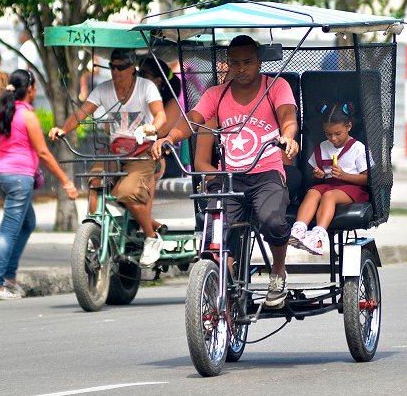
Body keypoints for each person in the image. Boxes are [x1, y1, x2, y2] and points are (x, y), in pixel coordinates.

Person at [152, 35, 299, 307]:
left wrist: (288, 137)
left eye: (248, 62)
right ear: (227, 64)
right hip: (229, 177)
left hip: (266, 172)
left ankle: (278, 271)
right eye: (235, 63)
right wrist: (170, 138)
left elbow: (288, 117)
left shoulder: (276, 86)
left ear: (259, 62)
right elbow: (192, 121)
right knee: (216, 230)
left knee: (272, 221)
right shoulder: (214, 95)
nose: (241, 68)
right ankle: (224, 278)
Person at [48, 48, 166, 268]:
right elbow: (81, 113)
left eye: (121, 67)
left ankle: (151, 237)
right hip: (115, 151)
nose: (116, 71)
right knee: (96, 180)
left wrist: (153, 127)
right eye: (112, 67)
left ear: (132, 69)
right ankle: (95, 229)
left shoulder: (146, 87)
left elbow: (160, 114)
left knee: (128, 194)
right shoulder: (103, 90)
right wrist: (63, 129)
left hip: (142, 152)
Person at [0, 69, 79, 300]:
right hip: (19, 178)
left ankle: (8, 278)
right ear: (31, 89)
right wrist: (66, 182)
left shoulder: (2, 113)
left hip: (3, 175)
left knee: (27, 223)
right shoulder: (27, 116)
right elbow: (43, 152)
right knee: (9, 231)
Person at [288, 101, 371, 256]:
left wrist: (344, 175)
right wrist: (318, 175)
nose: (333, 138)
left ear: (349, 127)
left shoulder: (358, 148)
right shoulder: (321, 147)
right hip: (329, 185)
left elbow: (367, 179)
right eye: (328, 134)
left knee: (328, 196)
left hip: (353, 188)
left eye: (337, 133)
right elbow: (318, 178)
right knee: (313, 191)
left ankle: (318, 237)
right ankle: (299, 229)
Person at [138, 57, 182, 234]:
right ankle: (148, 222)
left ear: (158, 80)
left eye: (144, 75)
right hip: (136, 151)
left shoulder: (171, 103)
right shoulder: (137, 98)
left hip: (164, 154)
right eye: (138, 74)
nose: (139, 79)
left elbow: (161, 132)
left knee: (148, 166)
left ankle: (146, 225)